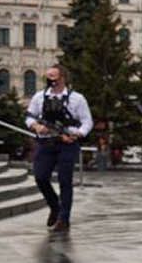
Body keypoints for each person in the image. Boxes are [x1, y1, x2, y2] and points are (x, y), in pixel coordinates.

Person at [25, 64, 92, 232]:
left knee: (65, 180)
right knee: (40, 177)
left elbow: (87, 122)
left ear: (63, 78)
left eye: (54, 77)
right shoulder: (39, 97)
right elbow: (29, 117)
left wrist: (78, 134)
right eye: (48, 77)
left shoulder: (77, 98)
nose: (51, 81)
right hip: (45, 142)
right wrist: (35, 126)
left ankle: (64, 219)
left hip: (67, 144)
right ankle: (55, 206)